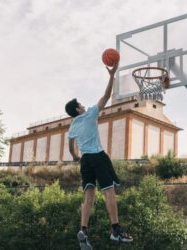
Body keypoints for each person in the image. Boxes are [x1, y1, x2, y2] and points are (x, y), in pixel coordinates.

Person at [65, 63, 133, 250]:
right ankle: (115, 230)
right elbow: (106, 96)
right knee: (109, 192)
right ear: (78, 109)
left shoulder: (73, 126)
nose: (83, 105)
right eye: (80, 104)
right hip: (98, 157)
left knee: (89, 197)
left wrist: (75, 156)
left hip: (85, 161)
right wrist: (112, 76)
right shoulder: (90, 114)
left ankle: (84, 230)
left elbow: (70, 146)